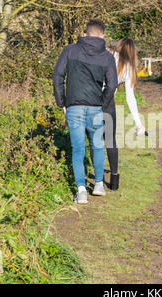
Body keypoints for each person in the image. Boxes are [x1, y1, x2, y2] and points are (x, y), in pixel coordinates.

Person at [53, 19, 118, 204]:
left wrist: (62, 102)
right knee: (97, 145)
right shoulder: (107, 57)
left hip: (73, 106)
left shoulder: (70, 50)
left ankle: (81, 190)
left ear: (85, 34)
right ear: (102, 35)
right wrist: (103, 103)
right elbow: (112, 84)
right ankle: (98, 184)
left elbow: (58, 75)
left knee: (78, 149)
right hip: (96, 107)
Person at [103, 38, 146, 191]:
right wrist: (138, 123)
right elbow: (130, 97)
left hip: (91, 98)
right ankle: (114, 181)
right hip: (107, 103)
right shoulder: (128, 67)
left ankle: (97, 181)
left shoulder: (105, 52)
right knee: (110, 140)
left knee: (94, 140)